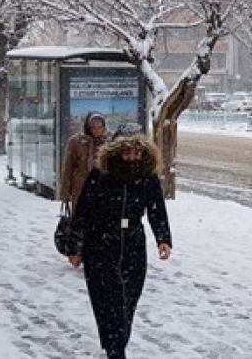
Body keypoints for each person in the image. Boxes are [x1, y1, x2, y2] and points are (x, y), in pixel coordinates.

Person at [68, 123, 172, 359]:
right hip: (100, 244)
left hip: (134, 245)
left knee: (128, 302)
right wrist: (74, 247)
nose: (132, 157)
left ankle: (115, 341)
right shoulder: (100, 176)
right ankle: (116, 349)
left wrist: (163, 238)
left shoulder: (148, 178)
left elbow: (157, 210)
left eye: (137, 152)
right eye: (126, 152)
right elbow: (83, 212)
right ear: (115, 151)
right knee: (107, 301)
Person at [60, 112, 109, 212]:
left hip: (104, 187)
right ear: (88, 127)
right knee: (81, 218)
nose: (96, 130)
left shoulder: (110, 141)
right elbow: (68, 167)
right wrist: (65, 193)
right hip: (81, 187)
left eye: (100, 127)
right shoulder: (76, 141)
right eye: (93, 127)